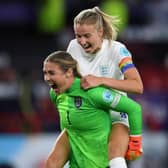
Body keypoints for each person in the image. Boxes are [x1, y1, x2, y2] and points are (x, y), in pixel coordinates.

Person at [49, 6, 144, 168]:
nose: (82, 41)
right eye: (78, 36)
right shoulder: (73, 47)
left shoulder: (117, 50)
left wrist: (101, 80)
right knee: (52, 163)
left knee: (115, 155)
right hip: (86, 114)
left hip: (115, 113)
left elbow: (137, 86)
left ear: (100, 32)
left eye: (87, 36)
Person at [43, 51, 142, 168]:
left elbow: (134, 108)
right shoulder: (55, 94)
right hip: (77, 161)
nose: (46, 78)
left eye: (51, 73)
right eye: (45, 73)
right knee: (50, 164)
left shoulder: (93, 92)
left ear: (69, 72)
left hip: (101, 162)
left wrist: (135, 142)